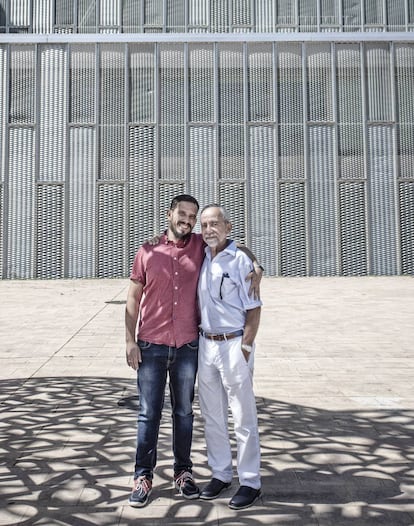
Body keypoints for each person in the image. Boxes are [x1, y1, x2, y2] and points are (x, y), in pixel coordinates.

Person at [125, 194, 263, 508]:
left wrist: (257, 263)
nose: (193, 223)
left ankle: (229, 479)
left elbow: (237, 249)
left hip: (207, 345)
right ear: (170, 214)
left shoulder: (215, 250)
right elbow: (133, 298)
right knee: (177, 414)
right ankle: (201, 475)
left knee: (209, 414)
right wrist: (129, 341)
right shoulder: (155, 251)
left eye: (198, 218)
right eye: (187, 216)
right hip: (172, 344)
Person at [197, 203, 262, 510]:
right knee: (212, 414)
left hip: (234, 343)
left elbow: (254, 307)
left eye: (214, 224)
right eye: (204, 224)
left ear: (228, 226)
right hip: (206, 344)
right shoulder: (200, 256)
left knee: (242, 416)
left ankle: (250, 481)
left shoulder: (240, 260)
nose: (209, 229)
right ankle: (221, 473)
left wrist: (246, 347)